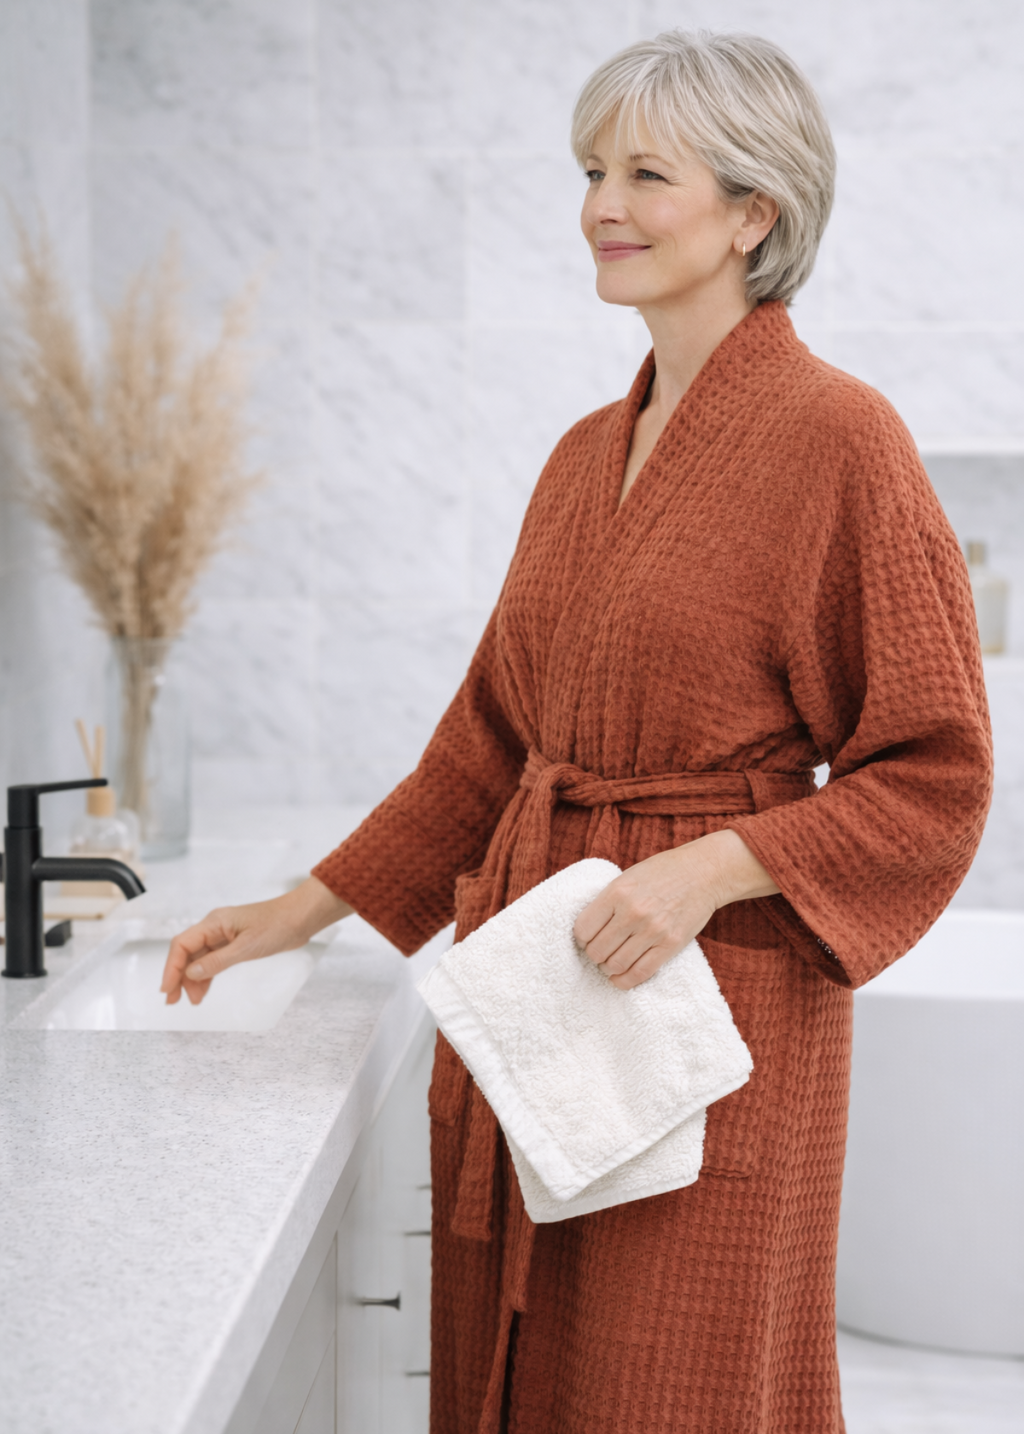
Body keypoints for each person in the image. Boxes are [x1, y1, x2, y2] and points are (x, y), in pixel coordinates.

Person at [161, 30, 992, 1434]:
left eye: (646, 173)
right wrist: (298, 910)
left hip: (716, 982)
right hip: (549, 971)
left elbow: (936, 773)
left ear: (755, 212)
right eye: (592, 170)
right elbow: (489, 749)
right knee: (531, 1369)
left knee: (671, 1383)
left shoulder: (844, 439)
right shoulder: (578, 456)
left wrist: (704, 871)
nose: (602, 204)